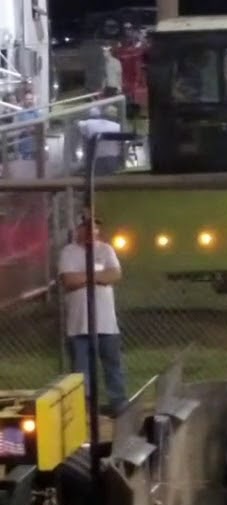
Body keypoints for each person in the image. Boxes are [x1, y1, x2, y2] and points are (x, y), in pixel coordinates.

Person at [59, 217, 127, 417]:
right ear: (78, 229)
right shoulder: (68, 252)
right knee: (81, 370)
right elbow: (69, 280)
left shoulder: (106, 250)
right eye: (87, 227)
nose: (92, 231)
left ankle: (118, 403)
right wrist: (98, 277)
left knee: (113, 365)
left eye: (95, 227)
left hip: (106, 322)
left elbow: (114, 275)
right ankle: (85, 407)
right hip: (79, 324)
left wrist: (85, 276)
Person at [77, 105, 124, 176]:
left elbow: (76, 123)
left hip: (97, 159)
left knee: (98, 182)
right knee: (111, 181)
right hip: (113, 159)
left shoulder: (89, 123)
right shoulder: (118, 126)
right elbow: (121, 145)